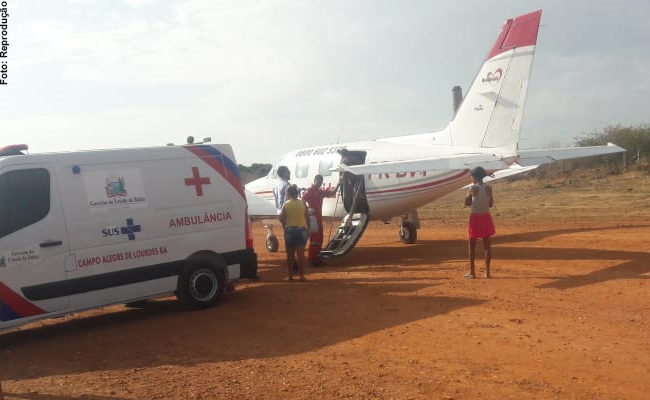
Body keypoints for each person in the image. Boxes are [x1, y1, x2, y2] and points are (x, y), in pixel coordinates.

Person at [464, 166, 495, 279]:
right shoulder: (488, 188)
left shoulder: (472, 188)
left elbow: (467, 203)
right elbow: (491, 204)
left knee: (472, 246)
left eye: (472, 176)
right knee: (487, 246)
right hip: (485, 216)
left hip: (475, 217)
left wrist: (469, 194)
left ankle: (472, 272)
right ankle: (487, 272)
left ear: (475, 177)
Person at [302, 175, 337, 266]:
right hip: (313, 218)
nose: (320, 183)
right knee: (314, 239)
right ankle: (311, 259)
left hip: (318, 218)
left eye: (321, 182)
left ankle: (316, 257)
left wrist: (339, 185)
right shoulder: (310, 191)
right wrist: (308, 209)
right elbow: (302, 200)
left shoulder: (320, 191)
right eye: (318, 181)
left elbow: (330, 193)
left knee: (320, 238)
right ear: (314, 180)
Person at [279, 184, 310, 281]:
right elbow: (308, 217)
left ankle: (290, 276)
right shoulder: (303, 203)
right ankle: (301, 276)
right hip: (301, 230)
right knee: (301, 254)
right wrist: (308, 229)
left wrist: (284, 226)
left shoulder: (286, 204)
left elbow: (281, 218)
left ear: (288, 194)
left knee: (290, 255)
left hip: (290, 230)